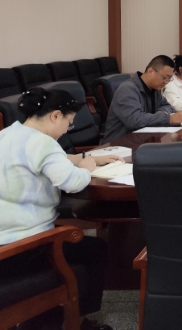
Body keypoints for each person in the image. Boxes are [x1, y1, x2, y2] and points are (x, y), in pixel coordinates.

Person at [0, 88, 123, 330]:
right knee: (94, 249)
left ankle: (47, 318)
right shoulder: (43, 143)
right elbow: (72, 182)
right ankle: (75, 322)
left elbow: (50, 160)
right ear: (55, 116)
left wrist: (83, 158)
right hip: (24, 249)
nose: (68, 129)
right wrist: (87, 167)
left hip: (4, 244)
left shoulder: (9, 134)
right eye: (69, 122)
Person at [100, 55, 182, 144]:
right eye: (164, 78)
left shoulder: (155, 89)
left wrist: (161, 113)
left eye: (169, 79)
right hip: (118, 145)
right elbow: (135, 120)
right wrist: (168, 119)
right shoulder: (127, 89)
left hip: (142, 141)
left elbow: (166, 105)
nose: (166, 82)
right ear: (150, 71)